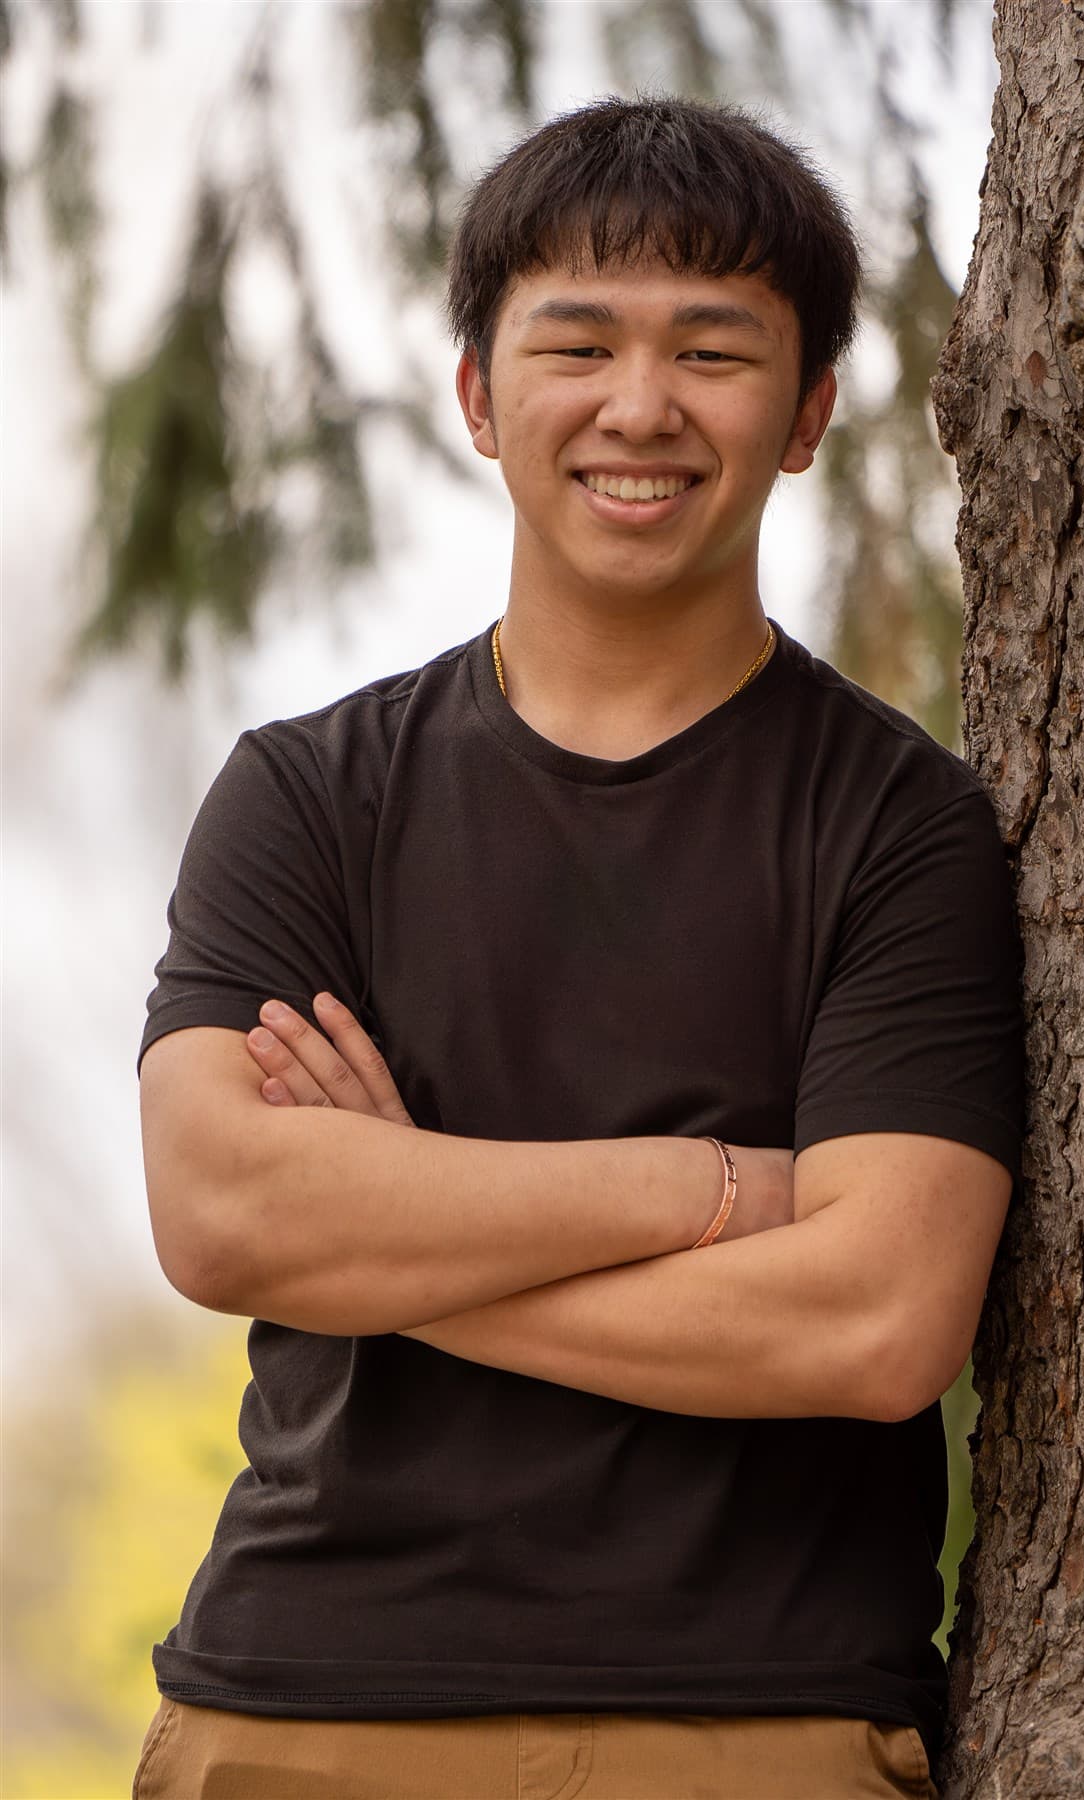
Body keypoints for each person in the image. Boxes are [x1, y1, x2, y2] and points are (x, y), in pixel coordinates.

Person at [132, 93, 1025, 1800]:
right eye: (578, 343)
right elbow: (227, 1214)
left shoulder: (906, 828)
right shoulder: (307, 796)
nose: (640, 407)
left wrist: (394, 1231)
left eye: (713, 349)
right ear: (481, 395)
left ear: (808, 413)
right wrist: (712, 1191)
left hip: (757, 1725)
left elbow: (874, 1322)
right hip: (303, 1704)